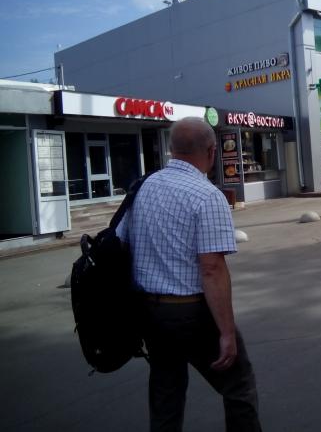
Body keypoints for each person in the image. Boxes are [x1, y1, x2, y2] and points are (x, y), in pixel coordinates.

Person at [117, 117, 262, 432]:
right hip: (190, 312)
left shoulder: (143, 187)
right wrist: (226, 333)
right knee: (238, 385)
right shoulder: (207, 196)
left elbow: (122, 243)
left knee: (166, 391)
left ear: (172, 149)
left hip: (149, 312)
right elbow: (211, 268)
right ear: (211, 152)